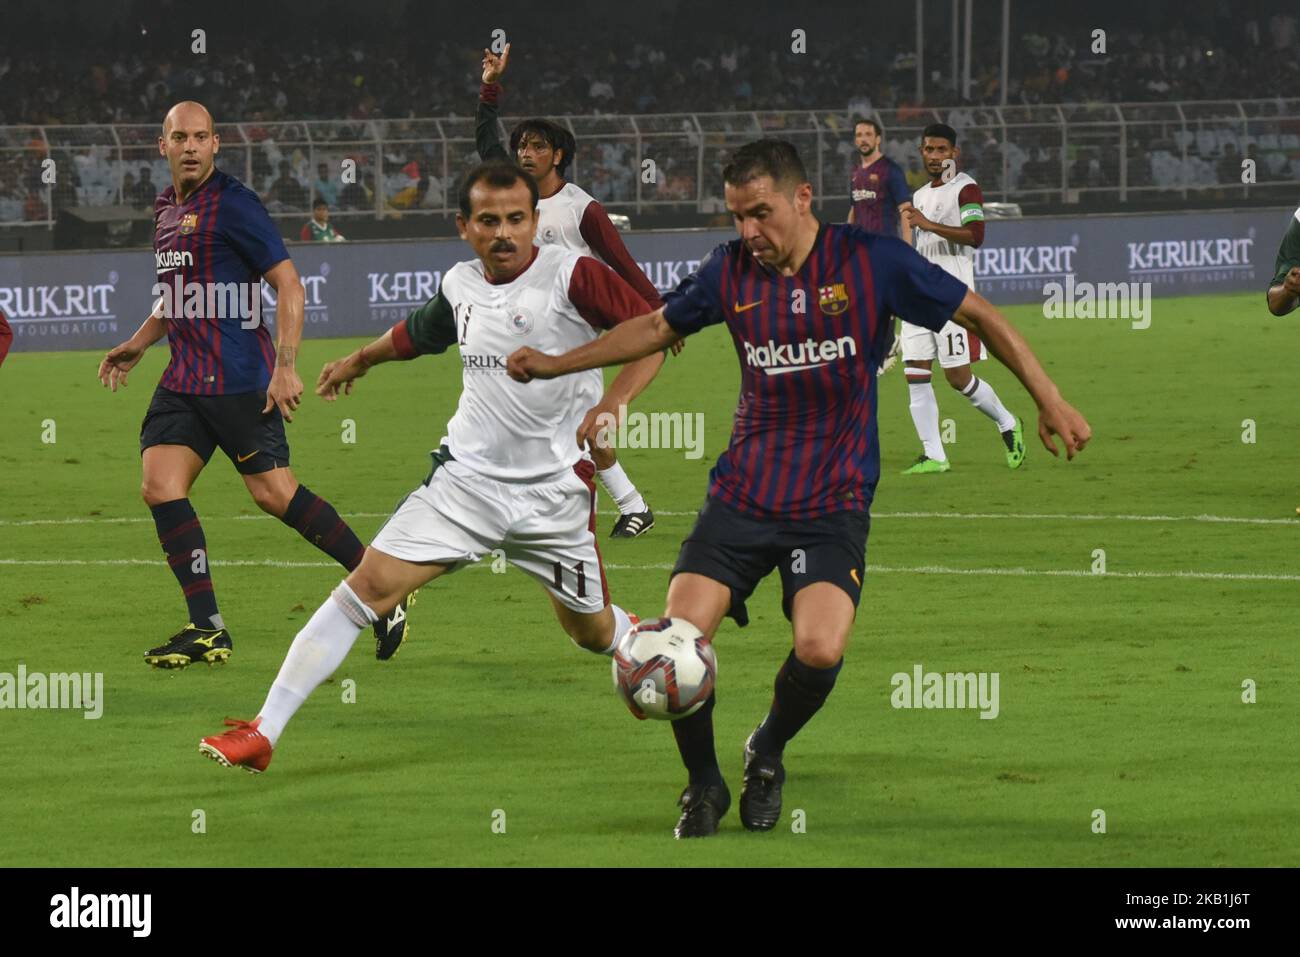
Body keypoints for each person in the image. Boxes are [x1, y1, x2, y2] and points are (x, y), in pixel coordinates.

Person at [506, 139, 1091, 838]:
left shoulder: (870, 261)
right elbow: (659, 325)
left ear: (802, 199)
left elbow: (980, 315)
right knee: (675, 639)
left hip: (831, 500)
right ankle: (704, 783)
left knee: (819, 647)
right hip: (743, 495)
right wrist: (555, 364)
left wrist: (1048, 398)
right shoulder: (730, 272)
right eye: (737, 216)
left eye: (761, 213)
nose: (749, 231)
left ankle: (767, 749)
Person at [198, 160, 663, 774]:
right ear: (464, 226)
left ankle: (639, 642)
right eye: (489, 221)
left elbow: (653, 333)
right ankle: (264, 731)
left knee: (591, 634)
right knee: (365, 588)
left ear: (535, 221)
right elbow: (418, 334)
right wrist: (359, 360)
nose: (504, 233)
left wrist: (612, 401)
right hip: (463, 486)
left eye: (517, 219)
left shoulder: (573, 275)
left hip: (554, 496)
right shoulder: (461, 284)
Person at [96, 101, 411, 668]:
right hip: (183, 380)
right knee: (159, 485)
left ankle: (384, 587)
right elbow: (177, 295)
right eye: (179, 137)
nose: (189, 146)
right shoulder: (166, 209)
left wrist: (285, 364)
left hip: (240, 378)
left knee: (275, 495)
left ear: (216, 144)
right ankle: (207, 628)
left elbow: (289, 286)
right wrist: (142, 341)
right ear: (161, 147)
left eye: (200, 137)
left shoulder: (236, 205)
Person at [476, 42, 672, 539]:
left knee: (562, 427)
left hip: (576, 334)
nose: (524, 152)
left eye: (537, 145)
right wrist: (489, 87)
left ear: (558, 155)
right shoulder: (517, 196)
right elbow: (486, 144)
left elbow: (622, 263)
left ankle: (532, 516)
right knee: (569, 427)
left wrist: (661, 317)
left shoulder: (581, 208)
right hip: (533, 333)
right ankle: (632, 506)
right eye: (522, 145)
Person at [900, 123, 1025, 474]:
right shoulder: (921, 194)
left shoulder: (966, 188)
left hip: (951, 297)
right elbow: (920, 244)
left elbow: (975, 235)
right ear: (921, 152)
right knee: (915, 373)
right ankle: (935, 455)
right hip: (917, 296)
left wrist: (928, 223)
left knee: (958, 378)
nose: (936, 156)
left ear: (955, 153)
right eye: (929, 149)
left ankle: (1007, 423)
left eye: (942, 150)